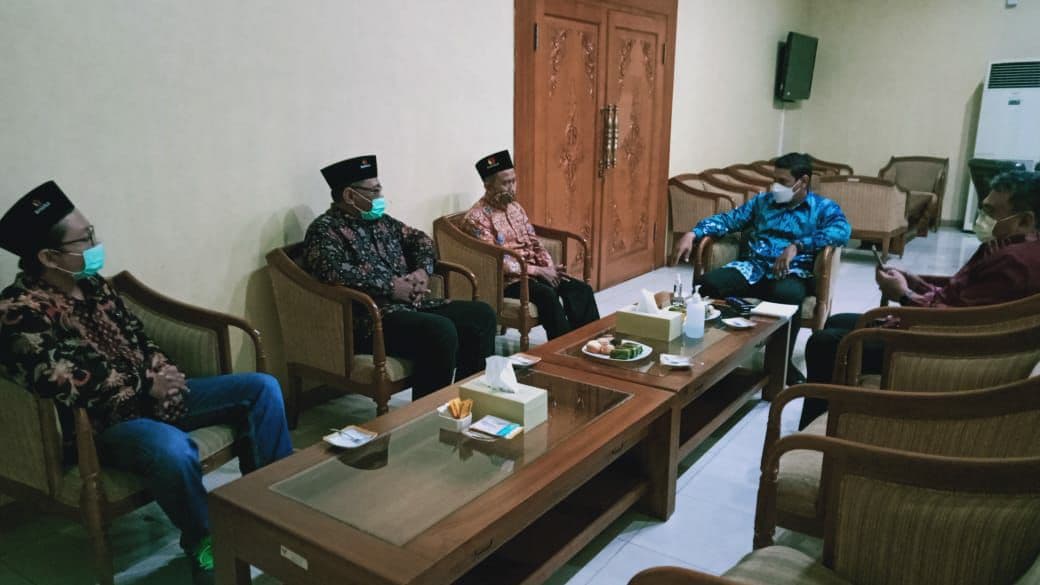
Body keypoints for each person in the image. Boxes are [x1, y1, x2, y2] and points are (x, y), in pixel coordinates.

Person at [0, 181, 292, 585]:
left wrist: (162, 374)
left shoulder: (95, 286)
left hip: (150, 395)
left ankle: (276, 510)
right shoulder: (18, 312)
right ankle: (204, 539)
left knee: (262, 388)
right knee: (172, 448)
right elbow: (62, 380)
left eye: (92, 232)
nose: (95, 244)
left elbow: (140, 337)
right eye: (84, 239)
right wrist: (144, 386)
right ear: (48, 257)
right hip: (102, 426)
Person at [801, 170, 1040, 428]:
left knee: (824, 343)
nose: (982, 218)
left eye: (991, 211)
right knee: (838, 321)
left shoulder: (1014, 264)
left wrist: (905, 295)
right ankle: (830, 413)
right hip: (941, 331)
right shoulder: (1006, 247)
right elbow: (959, 293)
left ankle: (817, 429)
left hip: (937, 348)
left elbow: (960, 321)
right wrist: (914, 281)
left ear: (1025, 221)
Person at [303, 155, 497, 399]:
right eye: (374, 190)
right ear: (350, 196)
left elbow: (421, 240)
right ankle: (426, 412)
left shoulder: (383, 222)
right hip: (371, 320)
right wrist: (390, 286)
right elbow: (332, 271)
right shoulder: (324, 230)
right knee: (440, 330)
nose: (380, 196)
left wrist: (422, 272)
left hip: (413, 306)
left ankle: (468, 399)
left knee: (481, 315)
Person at [672, 152, 851, 382]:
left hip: (791, 272)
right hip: (753, 268)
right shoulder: (763, 202)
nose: (776, 186)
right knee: (707, 284)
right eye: (774, 180)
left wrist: (798, 245)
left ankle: (781, 363)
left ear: (803, 181)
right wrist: (693, 233)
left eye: (783, 181)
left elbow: (842, 231)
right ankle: (717, 354)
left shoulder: (823, 208)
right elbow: (729, 220)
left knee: (787, 295)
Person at [462, 150, 599, 339]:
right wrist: (538, 271)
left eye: (514, 181)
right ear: (488, 185)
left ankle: (592, 343)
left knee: (580, 290)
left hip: (535, 273)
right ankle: (561, 349)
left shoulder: (515, 208)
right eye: (505, 183)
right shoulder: (476, 219)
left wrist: (548, 267)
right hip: (508, 281)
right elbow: (497, 261)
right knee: (547, 296)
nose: (512, 188)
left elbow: (535, 243)